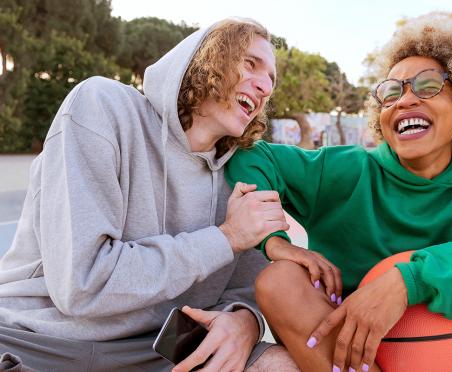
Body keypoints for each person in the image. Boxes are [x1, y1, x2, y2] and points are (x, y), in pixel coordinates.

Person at [226, 14, 452, 372]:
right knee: (279, 280)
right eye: (391, 92)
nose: (404, 100)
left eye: (428, 86)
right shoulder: (341, 171)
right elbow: (249, 153)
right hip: (361, 357)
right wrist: (275, 241)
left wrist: (410, 281)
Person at [0, 18, 299, 372]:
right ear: (209, 57)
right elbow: (82, 286)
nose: (265, 86)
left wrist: (245, 320)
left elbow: (246, 288)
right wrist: (226, 237)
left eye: (271, 81)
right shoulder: (102, 107)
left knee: (285, 365)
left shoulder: (246, 171)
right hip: (34, 339)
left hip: (162, 350)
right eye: (250, 63)